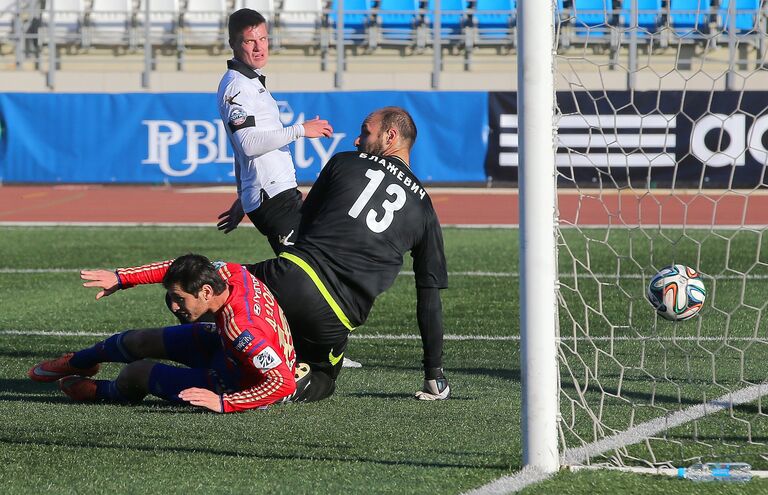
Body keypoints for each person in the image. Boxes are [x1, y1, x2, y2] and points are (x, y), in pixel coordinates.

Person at [247, 106, 450, 402]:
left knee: (210, 282)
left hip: (291, 280)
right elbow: (429, 298)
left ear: (390, 136)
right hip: (336, 319)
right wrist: (434, 373)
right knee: (325, 378)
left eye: (365, 132)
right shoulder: (424, 209)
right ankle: (291, 385)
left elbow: (303, 226)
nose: (357, 140)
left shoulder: (344, 162)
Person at [28, 254, 302, 413]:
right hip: (227, 350)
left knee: (137, 372)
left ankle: (103, 391)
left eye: (180, 299)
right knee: (138, 339)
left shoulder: (241, 330)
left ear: (206, 292)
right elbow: (176, 268)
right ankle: (80, 361)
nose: (174, 305)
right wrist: (122, 278)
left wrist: (224, 402)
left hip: (237, 380)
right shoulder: (230, 272)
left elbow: (284, 383)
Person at [215, 8, 334, 255]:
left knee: (306, 271)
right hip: (273, 196)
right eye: (250, 41)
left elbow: (242, 152)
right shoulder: (237, 86)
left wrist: (243, 196)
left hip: (272, 193)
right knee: (306, 272)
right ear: (233, 44)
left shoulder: (250, 82)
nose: (259, 47)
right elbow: (247, 144)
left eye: (264, 39)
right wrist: (300, 130)